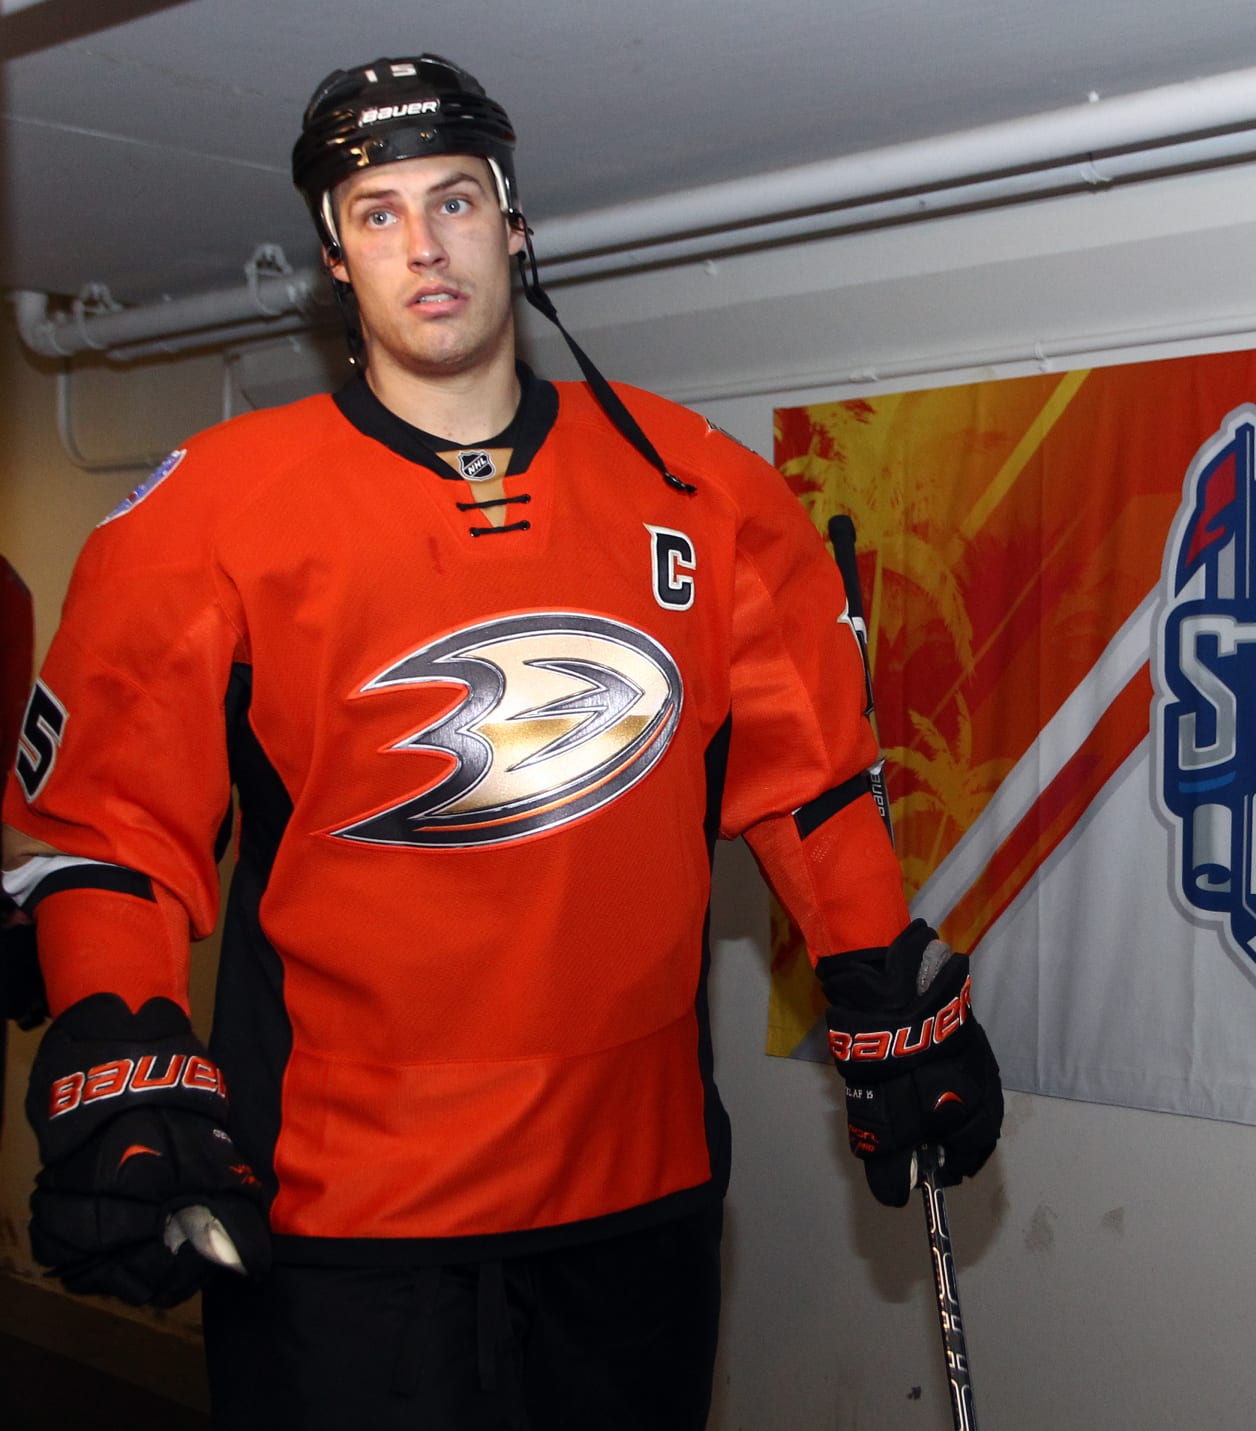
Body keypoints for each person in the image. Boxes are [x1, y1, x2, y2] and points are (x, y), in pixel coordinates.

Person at [2, 54, 1002, 1431]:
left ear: (514, 225)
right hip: (345, 1213)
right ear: (332, 258)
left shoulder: (706, 490)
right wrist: (118, 1032)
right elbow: (110, 830)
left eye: (456, 199)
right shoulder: (210, 514)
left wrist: (885, 983)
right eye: (379, 210)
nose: (425, 243)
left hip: (634, 1198)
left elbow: (812, 780)